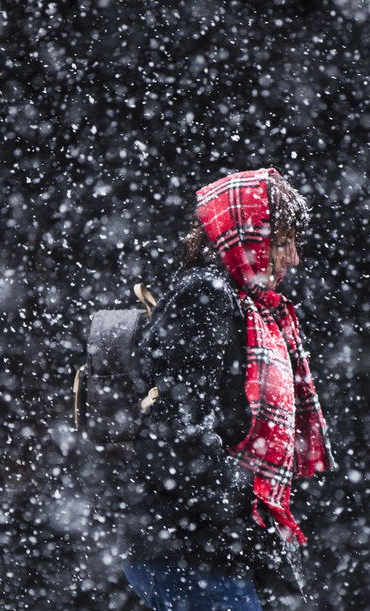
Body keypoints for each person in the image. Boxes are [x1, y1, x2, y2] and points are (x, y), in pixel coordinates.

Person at [117, 168, 335, 610]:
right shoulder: (207, 296)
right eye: (283, 242)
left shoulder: (243, 303)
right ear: (248, 235)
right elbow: (177, 433)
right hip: (189, 550)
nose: (293, 259)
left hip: (206, 546)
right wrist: (238, 517)